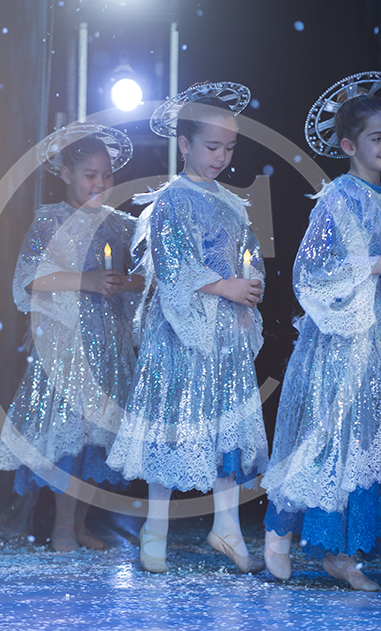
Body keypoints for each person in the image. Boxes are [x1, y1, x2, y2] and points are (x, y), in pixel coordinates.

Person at [107, 82, 268, 573]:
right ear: (185, 143)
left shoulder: (232, 202)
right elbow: (172, 265)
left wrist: (250, 284)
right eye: (212, 146)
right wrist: (226, 286)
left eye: (229, 147)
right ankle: (155, 527)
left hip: (226, 332)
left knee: (224, 427)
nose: (221, 157)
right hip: (181, 331)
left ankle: (227, 526)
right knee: (172, 423)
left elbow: (248, 252)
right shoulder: (173, 199)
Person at [0, 127, 143, 551]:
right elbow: (30, 277)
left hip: (109, 347)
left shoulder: (119, 225)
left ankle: (79, 524)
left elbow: (145, 278)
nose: (100, 183)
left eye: (107, 175)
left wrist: (124, 282)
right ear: (66, 174)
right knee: (69, 435)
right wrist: (87, 280)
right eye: (90, 175)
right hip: (68, 347)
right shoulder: (52, 221)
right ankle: (62, 524)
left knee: (96, 440)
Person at [262, 72, 381, 591]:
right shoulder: (340, 197)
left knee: (365, 441)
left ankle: (342, 552)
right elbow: (309, 272)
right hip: (340, 339)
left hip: (375, 340)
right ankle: (280, 530)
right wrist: (370, 266)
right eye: (378, 137)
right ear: (350, 146)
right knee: (327, 436)